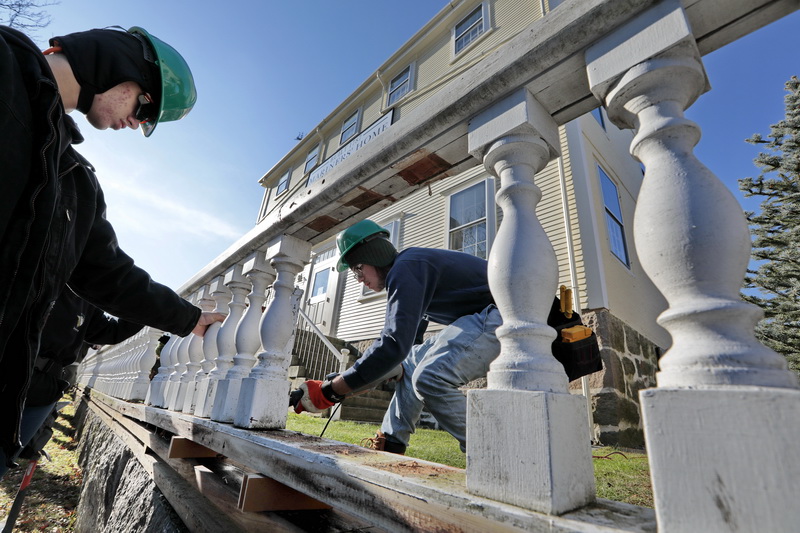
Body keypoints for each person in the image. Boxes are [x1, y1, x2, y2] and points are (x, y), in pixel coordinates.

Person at [0, 25, 225, 466]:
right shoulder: (5, 65)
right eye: (146, 107)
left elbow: (110, 274)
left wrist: (188, 317)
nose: (138, 123)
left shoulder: (75, 180)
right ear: (121, 68)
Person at [292, 220, 503, 454]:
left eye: (357, 269)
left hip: (510, 312)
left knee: (429, 377)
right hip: (487, 316)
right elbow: (404, 351)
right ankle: (391, 444)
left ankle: (496, 453)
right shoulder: (412, 270)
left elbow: (392, 344)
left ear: (374, 255)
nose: (359, 279)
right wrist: (357, 378)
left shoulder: (406, 268)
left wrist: (332, 390)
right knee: (412, 365)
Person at [0, 288, 145, 478]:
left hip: (44, 389)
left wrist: (149, 307)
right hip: (6, 370)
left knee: (2, 461)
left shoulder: (87, 293)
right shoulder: (34, 266)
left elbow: (108, 331)